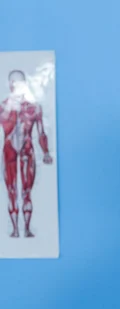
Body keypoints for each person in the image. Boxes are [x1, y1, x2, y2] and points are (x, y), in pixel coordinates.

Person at [0, 69, 53, 238]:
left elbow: (41, 132)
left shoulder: (34, 108)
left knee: (26, 192)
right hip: (9, 150)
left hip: (27, 149)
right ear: (10, 85)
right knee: (11, 191)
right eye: (14, 83)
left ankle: (27, 229)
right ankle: (15, 229)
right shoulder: (2, 107)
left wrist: (46, 152)